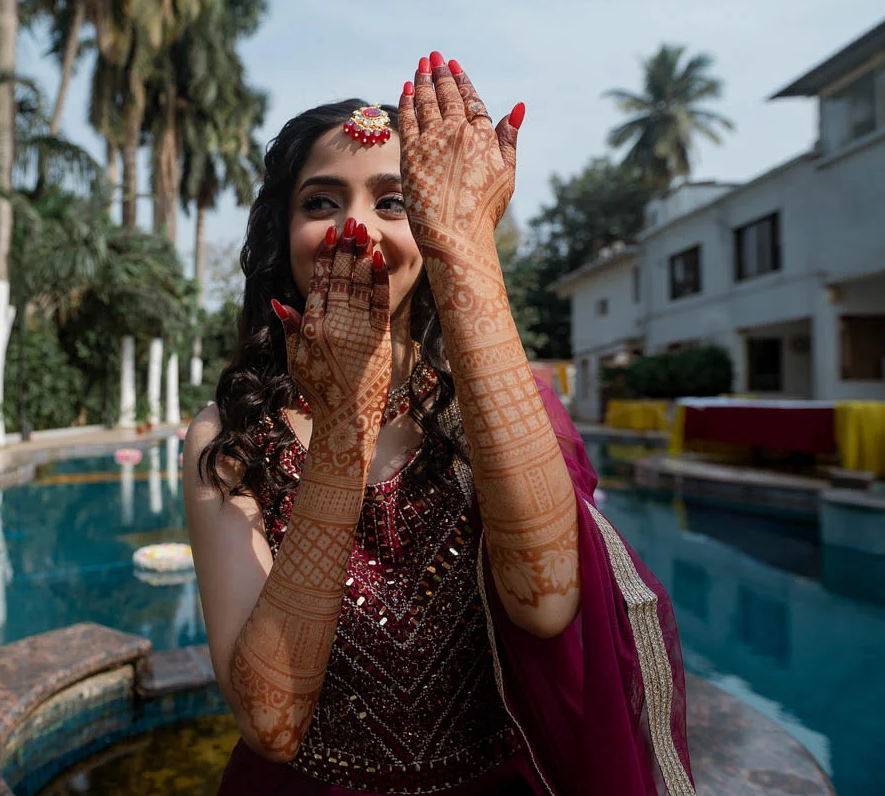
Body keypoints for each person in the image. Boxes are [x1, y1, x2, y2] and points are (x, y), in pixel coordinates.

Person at [182, 51, 695, 796]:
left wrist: (466, 242)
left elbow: (547, 605)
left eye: (394, 203)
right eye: (320, 203)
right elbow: (272, 723)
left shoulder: (491, 401)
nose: (352, 227)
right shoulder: (228, 437)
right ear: (280, 234)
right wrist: (346, 426)